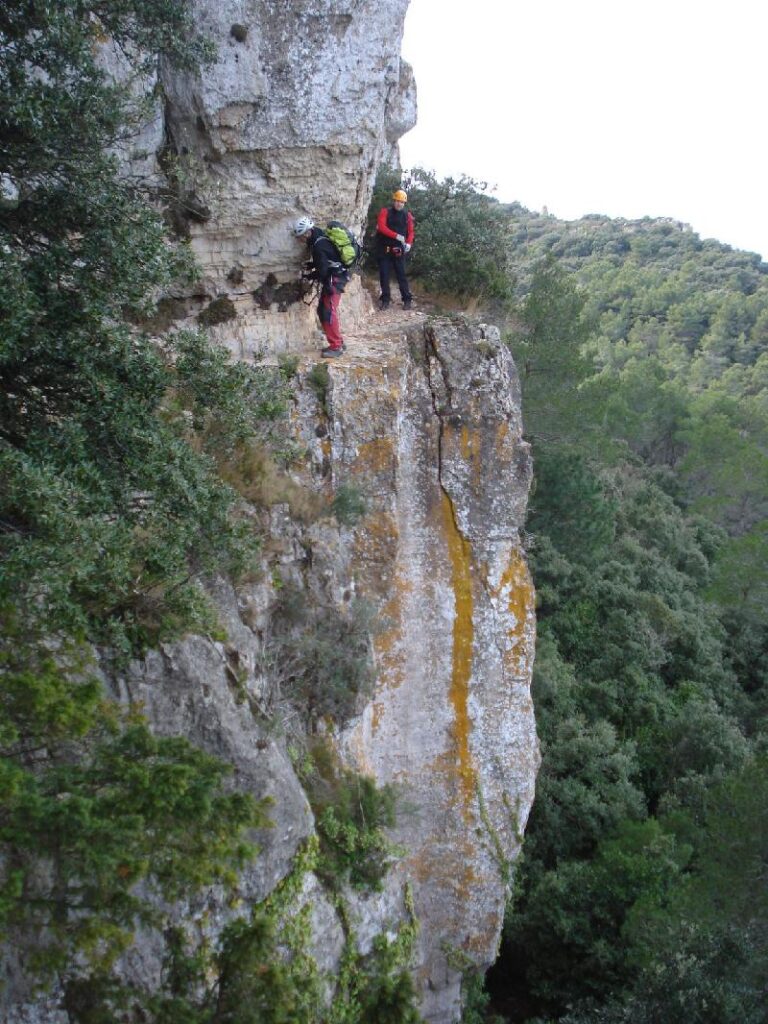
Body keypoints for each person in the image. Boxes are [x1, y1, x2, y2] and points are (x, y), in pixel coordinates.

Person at [293, 216, 348, 357]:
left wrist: (310, 275)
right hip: (336, 276)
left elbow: (323, 270)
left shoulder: (318, 245)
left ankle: (336, 347)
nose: (300, 240)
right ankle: (338, 342)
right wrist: (313, 266)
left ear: (306, 233)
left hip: (334, 279)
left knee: (328, 311)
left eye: (300, 236)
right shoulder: (320, 236)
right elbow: (327, 259)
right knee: (323, 310)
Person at [376, 189, 414, 310]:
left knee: (401, 275)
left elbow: (411, 231)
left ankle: (407, 299)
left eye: (401, 202)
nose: (399, 204)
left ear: (404, 203)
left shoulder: (407, 216)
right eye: (397, 201)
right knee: (384, 274)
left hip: (398, 249)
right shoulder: (385, 212)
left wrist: (409, 243)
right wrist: (396, 235)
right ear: (394, 201)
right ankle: (385, 300)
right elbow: (381, 227)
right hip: (385, 248)